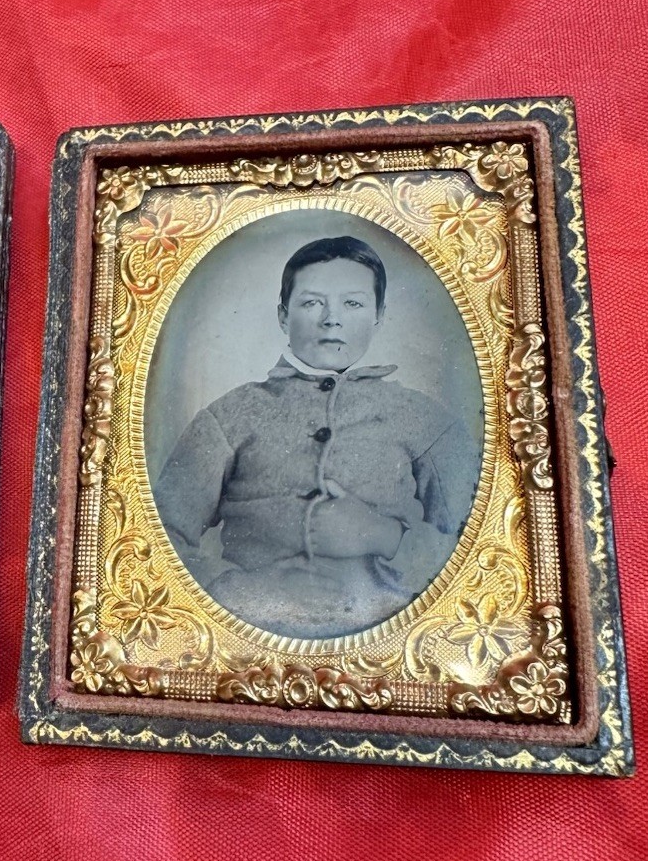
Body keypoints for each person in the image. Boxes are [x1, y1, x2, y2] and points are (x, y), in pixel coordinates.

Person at [153, 235, 480, 639]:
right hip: (247, 642)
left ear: (378, 315)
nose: (331, 319)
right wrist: (243, 592)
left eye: (353, 304)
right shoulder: (229, 415)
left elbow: (476, 555)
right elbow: (156, 538)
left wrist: (385, 536)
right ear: (283, 316)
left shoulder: (427, 421)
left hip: (390, 644)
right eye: (311, 303)